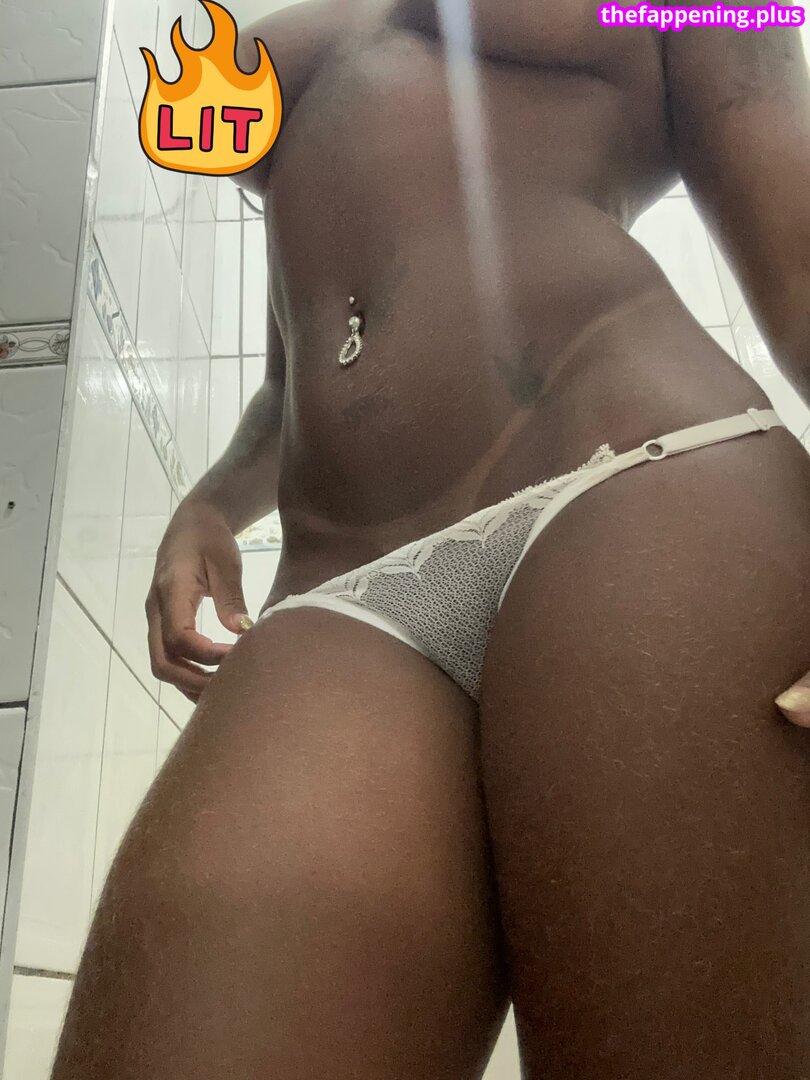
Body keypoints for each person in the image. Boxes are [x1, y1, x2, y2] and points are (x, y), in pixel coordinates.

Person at [52, 1, 810, 1077]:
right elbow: (300, 353)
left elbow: (799, 258)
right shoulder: (270, 46)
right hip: (344, 585)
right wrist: (211, 503)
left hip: (636, 474)